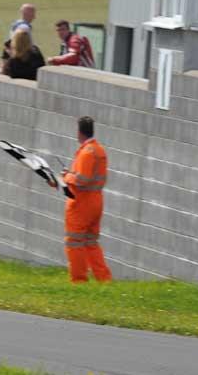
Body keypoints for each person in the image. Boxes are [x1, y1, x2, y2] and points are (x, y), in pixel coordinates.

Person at [60, 116, 112, 283]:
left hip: (82, 203)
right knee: (91, 242)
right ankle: (104, 279)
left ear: (79, 132)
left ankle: (79, 280)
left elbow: (82, 180)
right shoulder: (99, 150)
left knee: (74, 241)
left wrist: (67, 176)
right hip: (96, 201)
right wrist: (71, 175)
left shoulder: (86, 152)